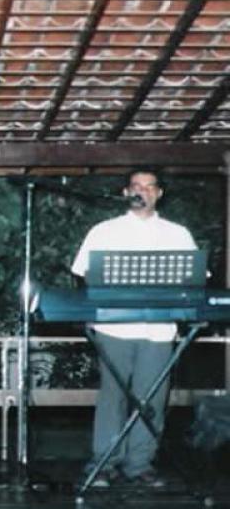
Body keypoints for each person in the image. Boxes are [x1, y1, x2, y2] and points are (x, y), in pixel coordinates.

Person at [71, 169, 198, 488]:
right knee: (112, 397)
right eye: (136, 186)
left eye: (150, 187)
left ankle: (140, 464)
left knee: (152, 399)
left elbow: (194, 279)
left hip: (160, 329)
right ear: (126, 192)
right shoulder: (104, 231)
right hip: (114, 327)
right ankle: (104, 463)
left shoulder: (178, 234)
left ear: (159, 193)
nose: (143, 192)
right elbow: (81, 274)